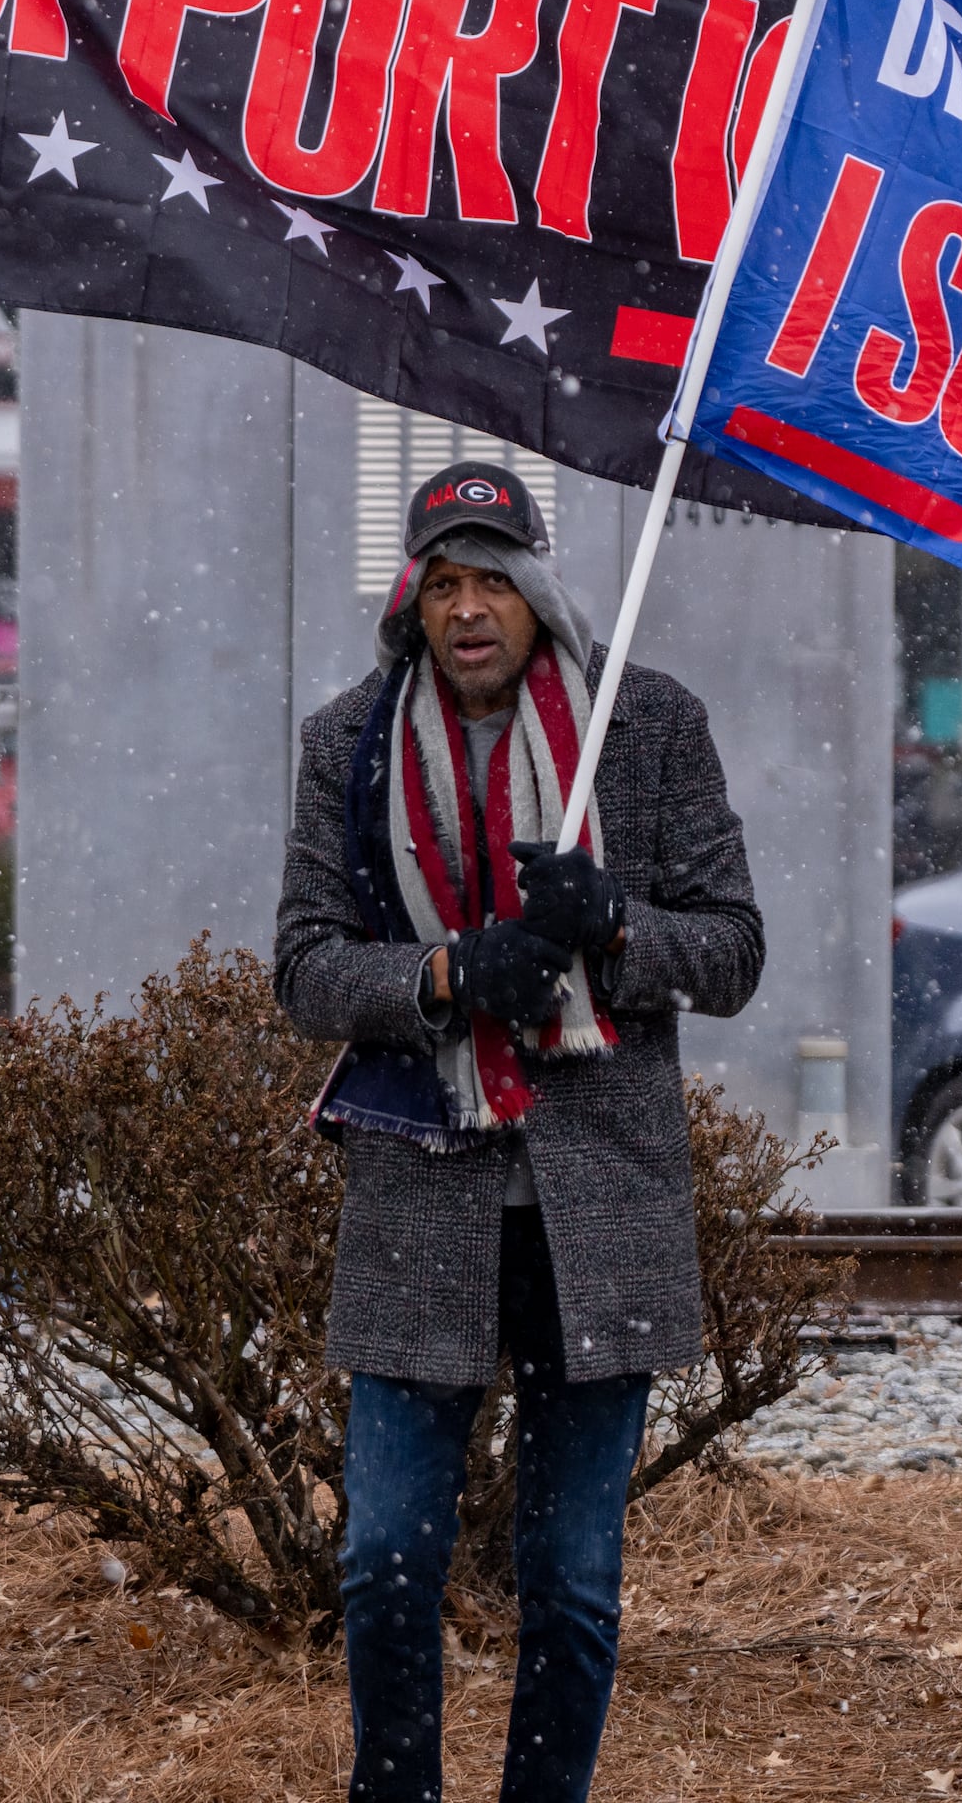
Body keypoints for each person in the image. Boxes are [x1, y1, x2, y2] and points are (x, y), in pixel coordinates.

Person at [274, 466, 764, 1803]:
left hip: (597, 1198)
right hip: (420, 1188)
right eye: (444, 583)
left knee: (572, 1577)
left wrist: (613, 926)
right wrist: (440, 981)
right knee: (383, 1560)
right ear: (411, 603)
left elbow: (732, 953)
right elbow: (307, 967)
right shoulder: (349, 742)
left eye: (493, 579)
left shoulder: (647, 728)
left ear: (539, 592)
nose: (469, 609)